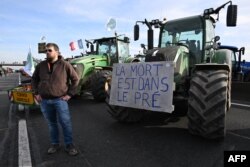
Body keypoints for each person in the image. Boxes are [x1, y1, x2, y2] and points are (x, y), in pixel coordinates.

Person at [31, 43, 80, 156]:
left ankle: (69, 145)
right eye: (46, 51)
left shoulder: (65, 65)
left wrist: (70, 94)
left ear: (57, 52)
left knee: (65, 123)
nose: (47, 52)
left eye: (49, 50)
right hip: (44, 101)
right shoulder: (41, 65)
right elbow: (34, 79)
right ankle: (55, 144)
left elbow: (75, 79)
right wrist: (36, 93)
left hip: (60, 100)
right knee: (52, 124)